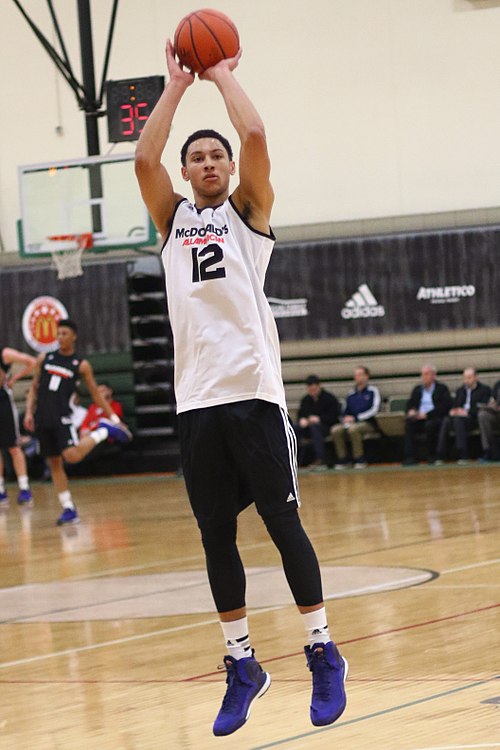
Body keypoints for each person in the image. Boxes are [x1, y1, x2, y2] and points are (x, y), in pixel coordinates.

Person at [134, 41, 347, 737]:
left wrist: (219, 73)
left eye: (214, 157)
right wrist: (173, 86)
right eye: (195, 158)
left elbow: (253, 134)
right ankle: (242, 663)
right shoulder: (172, 222)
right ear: (187, 171)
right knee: (215, 538)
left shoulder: (247, 212)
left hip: (253, 393)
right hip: (196, 402)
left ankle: (321, 649)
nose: (205, 164)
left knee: (283, 526)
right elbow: (143, 161)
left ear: (229, 169)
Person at [23, 320, 132, 525]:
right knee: (54, 463)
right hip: (42, 418)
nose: (61, 337)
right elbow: (34, 387)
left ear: (74, 336)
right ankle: (68, 508)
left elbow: (96, 395)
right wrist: (29, 412)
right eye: (59, 333)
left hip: (62, 417)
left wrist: (114, 418)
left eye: (65, 333)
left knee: (71, 456)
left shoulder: (80, 364)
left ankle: (103, 431)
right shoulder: (45, 358)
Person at [0, 346, 37, 506]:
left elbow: (32, 362)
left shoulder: (5, 353)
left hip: (3, 402)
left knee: (13, 446)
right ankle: (1, 490)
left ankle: (24, 487)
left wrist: (14, 378)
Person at [436, 368, 491, 463]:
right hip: (459, 417)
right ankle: (441, 454)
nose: (466, 380)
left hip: (474, 418)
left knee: (458, 421)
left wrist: (467, 412)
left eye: (469, 377)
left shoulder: (484, 390)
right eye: (465, 378)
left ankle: (463, 454)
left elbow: (483, 406)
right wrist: (454, 410)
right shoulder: (460, 390)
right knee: (446, 420)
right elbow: (455, 404)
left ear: (476, 378)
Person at [330, 366, 380, 469]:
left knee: (354, 429)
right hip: (350, 422)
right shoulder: (351, 394)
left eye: (360, 374)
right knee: (335, 430)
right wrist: (344, 418)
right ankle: (343, 459)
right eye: (356, 375)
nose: (357, 377)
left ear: (366, 376)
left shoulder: (373, 391)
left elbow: (374, 410)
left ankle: (359, 458)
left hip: (368, 423)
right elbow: (344, 411)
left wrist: (356, 418)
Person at [402, 364, 452, 465]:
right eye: (422, 374)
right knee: (409, 424)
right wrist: (411, 410)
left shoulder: (441, 388)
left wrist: (427, 415)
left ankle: (431, 455)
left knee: (430, 425)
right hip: (419, 417)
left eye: (426, 374)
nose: (423, 377)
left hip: (434, 417)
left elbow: (445, 406)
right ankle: (411, 457)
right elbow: (410, 403)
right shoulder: (417, 389)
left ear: (433, 375)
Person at [296, 375, 340, 469]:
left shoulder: (329, 398)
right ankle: (295, 457)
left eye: (314, 389)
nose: (312, 392)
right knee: (295, 428)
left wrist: (319, 419)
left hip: (326, 426)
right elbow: (301, 414)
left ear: (319, 386)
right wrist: (302, 419)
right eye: (310, 390)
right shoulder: (306, 399)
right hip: (309, 427)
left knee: (315, 428)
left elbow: (334, 416)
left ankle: (321, 458)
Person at [477, 379, 500, 461]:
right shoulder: (498, 384)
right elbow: (493, 400)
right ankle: (488, 450)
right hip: (497, 414)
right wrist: (492, 405)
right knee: (483, 415)